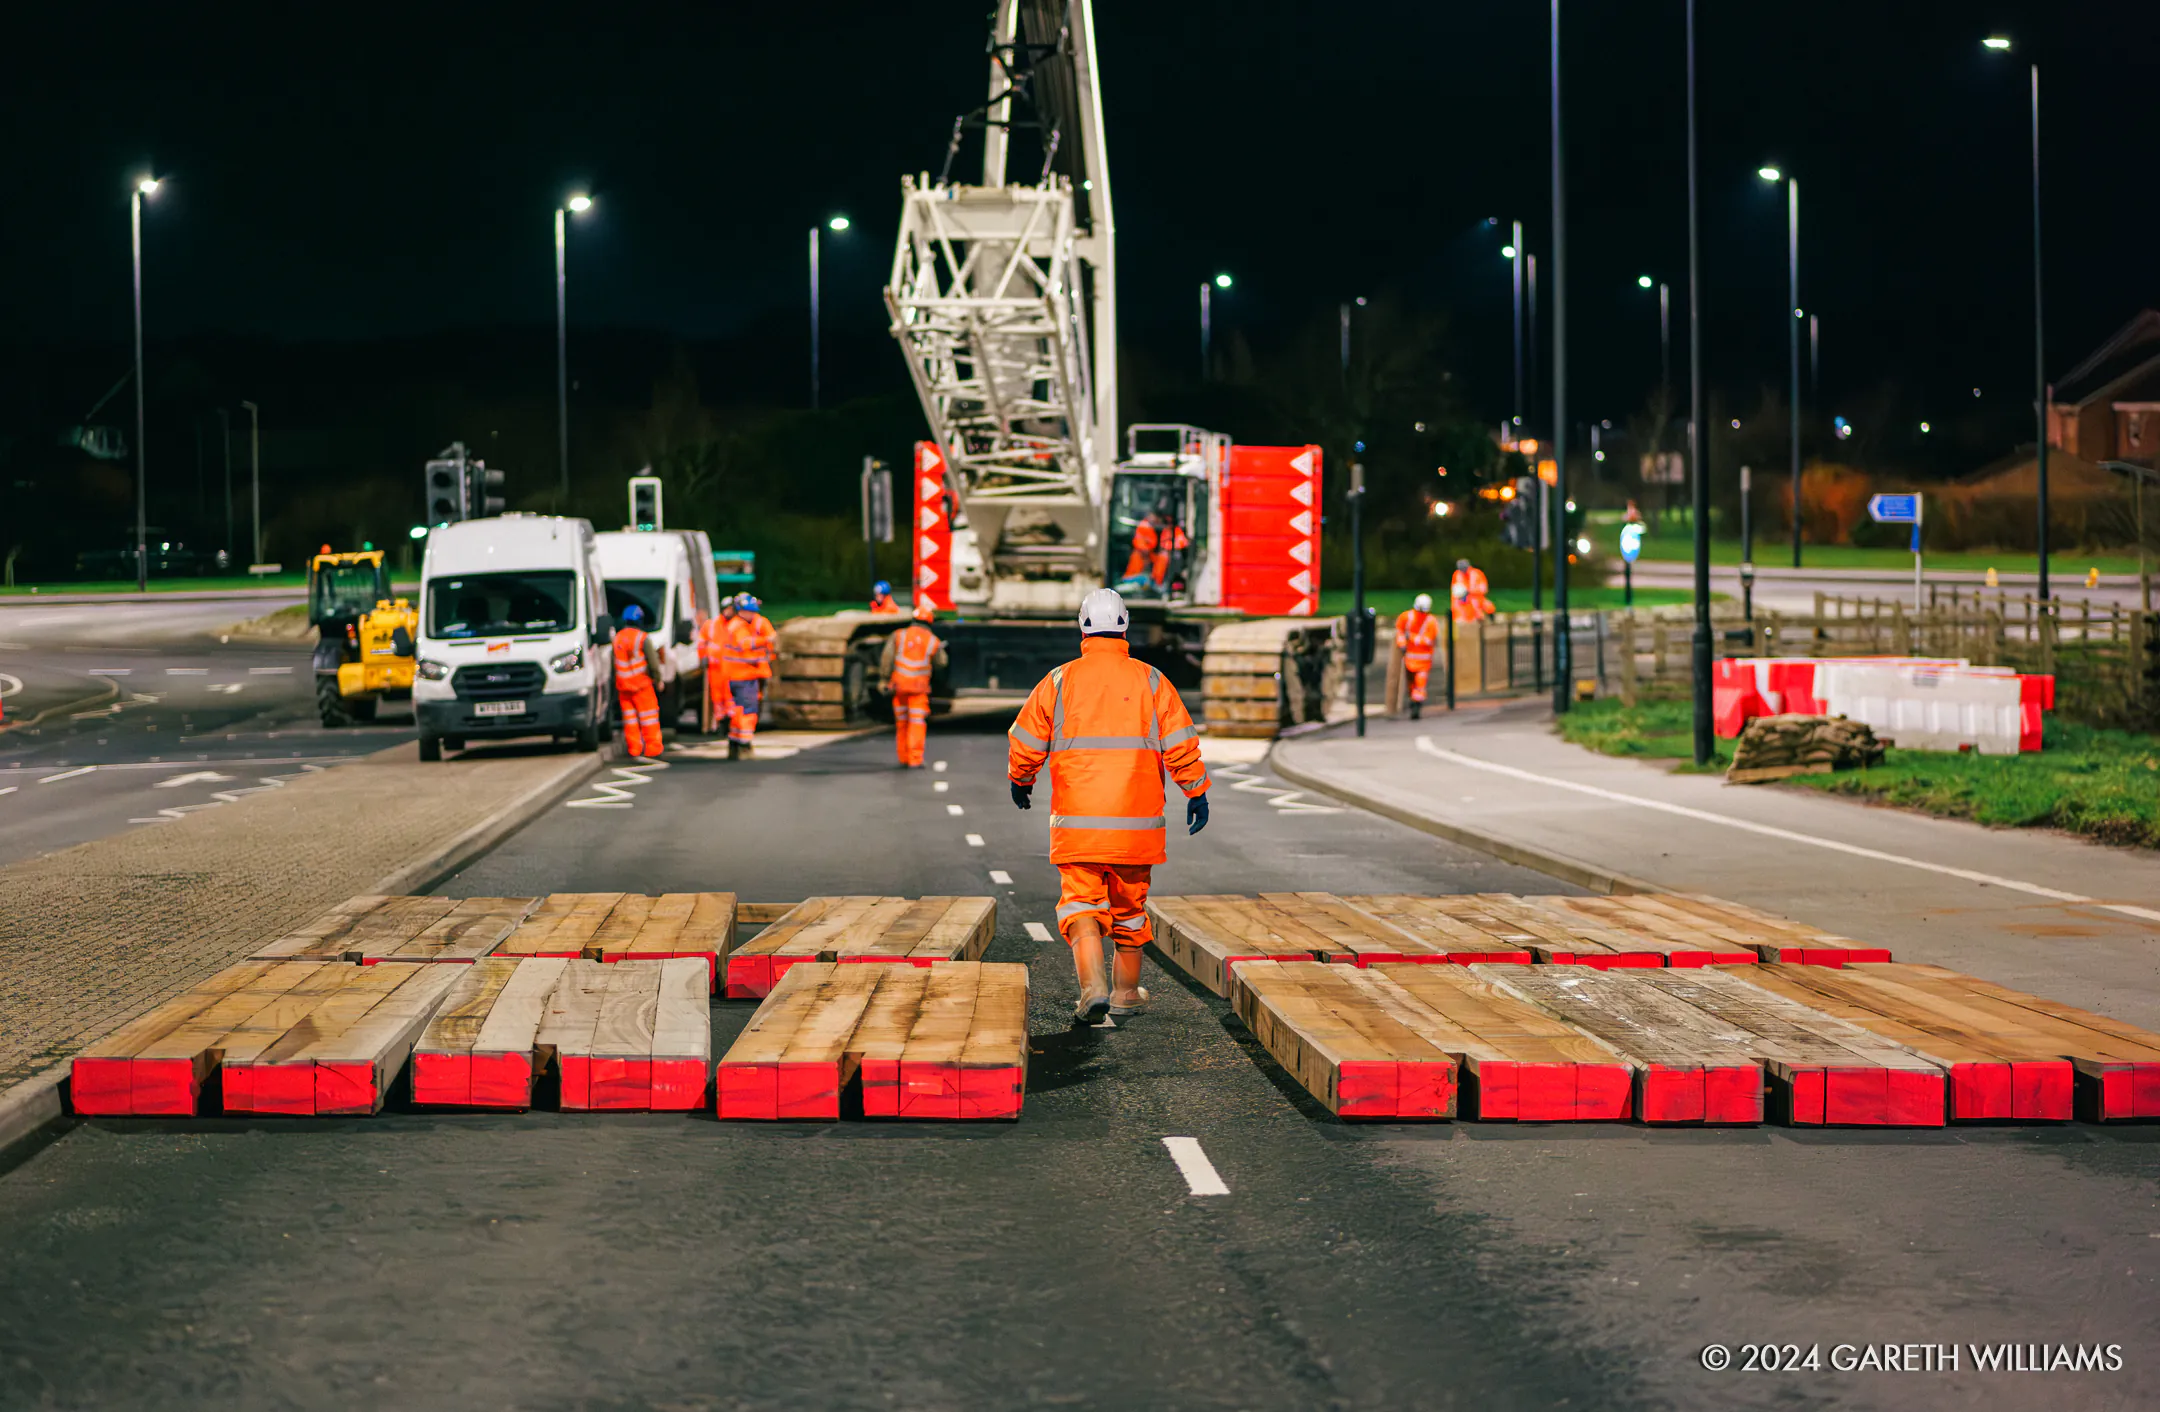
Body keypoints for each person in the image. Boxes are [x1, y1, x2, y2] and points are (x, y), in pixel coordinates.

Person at [1008, 588, 1211, 1023]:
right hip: (1137, 827)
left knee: (1081, 903)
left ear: (1082, 627)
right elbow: (1179, 742)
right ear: (1125, 626)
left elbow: (1025, 740)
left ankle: (1092, 987)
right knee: (1130, 911)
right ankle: (1124, 992)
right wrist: (1196, 790)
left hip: (1078, 825)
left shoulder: (1059, 680)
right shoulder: (1152, 680)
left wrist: (1020, 780)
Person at [878, 602, 947, 768]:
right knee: (916, 724)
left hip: (899, 687)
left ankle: (903, 757)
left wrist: (883, 679)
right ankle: (915, 759)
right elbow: (942, 663)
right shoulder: (933, 641)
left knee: (902, 723)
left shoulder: (899, 635)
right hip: (918, 689)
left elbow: (887, 659)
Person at [723, 593, 777, 760]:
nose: (752, 615)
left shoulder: (745, 623)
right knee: (748, 712)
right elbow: (746, 644)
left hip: (744, 675)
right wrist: (765, 640)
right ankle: (745, 745)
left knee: (739, 712)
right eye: (749, 611)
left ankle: (735, 743)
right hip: (742, 676)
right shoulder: (737, 627)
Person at [612, 603, 665, 759]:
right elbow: (653, 661)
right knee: (649, 718)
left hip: (624, 687)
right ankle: (653, 748)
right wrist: (658, 679)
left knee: (630, 720)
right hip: (641, 685)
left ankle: (634, 749)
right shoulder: (642, 638)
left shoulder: (617, 638)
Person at [1394, 592, 1441, 720]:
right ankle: (1413, 700)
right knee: (1411, 684)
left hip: (1423, 660)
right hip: (1409, 658)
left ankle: (1416, 705)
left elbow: (1428, 640)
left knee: (1420, 684)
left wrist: (1412, 638)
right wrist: (1402, 643)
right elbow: (1399, 631)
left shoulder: (1431, 622)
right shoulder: (1406, 617)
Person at [697, 595, 738, 735]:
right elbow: (702, 641)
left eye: (732, 609)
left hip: (732, 669)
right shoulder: (712, 625)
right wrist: (702, 657)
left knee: (730, 698)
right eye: (727, 609)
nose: (729, 612)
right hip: (715, 669)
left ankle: (730, 723)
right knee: (717, 698)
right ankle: (720, 723)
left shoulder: (736, 625)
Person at [1450, 558, 1495, 623]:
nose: (1463, 571)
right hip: (1463, 601)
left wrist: (1470, 591)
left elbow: (1484, 589)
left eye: (1464, 569)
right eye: (1461, 569)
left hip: (1478, 599)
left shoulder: (1477, 573)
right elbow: (1455, 591)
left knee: (1488, 606)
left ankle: (1492, 622)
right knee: (1461, 611)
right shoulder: (1457, 575)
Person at [1121, 511, 1160, 583]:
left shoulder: (1150, 527)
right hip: (1140, 557)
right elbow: (1139, 541)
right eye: (1153, 517)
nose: (1154, 519)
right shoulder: (1143, 526)